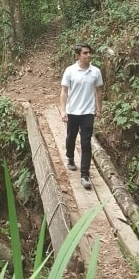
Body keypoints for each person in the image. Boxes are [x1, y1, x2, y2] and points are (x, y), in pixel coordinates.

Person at [60, 43, 103, 190]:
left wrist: (99, 108)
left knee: (86, 143)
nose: (88, 55)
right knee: (71, 137)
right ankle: (70, 157)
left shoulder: (95, 72)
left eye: (89, 53)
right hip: (72, 111)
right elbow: (64, 91)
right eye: (85, 53)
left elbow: (98, 91)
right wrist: (63, 110)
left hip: (88, 112)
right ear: (78, 55)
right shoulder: (70, 71)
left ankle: (85, 175)